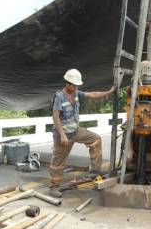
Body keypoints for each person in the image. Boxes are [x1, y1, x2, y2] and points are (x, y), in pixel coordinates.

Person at [48, 69, 114, 197]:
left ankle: (95, 171)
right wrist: (62, 134)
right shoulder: (59, 97)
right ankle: (53, 187)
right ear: (67, 83)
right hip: (63, 134)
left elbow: (92, 94)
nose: (76, 87)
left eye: (77, 85)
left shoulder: (76, 93)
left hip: (76, 131)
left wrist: (109, 92)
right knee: (58, 162)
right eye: (74, 85)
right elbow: (55, 117)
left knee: (95, 139)